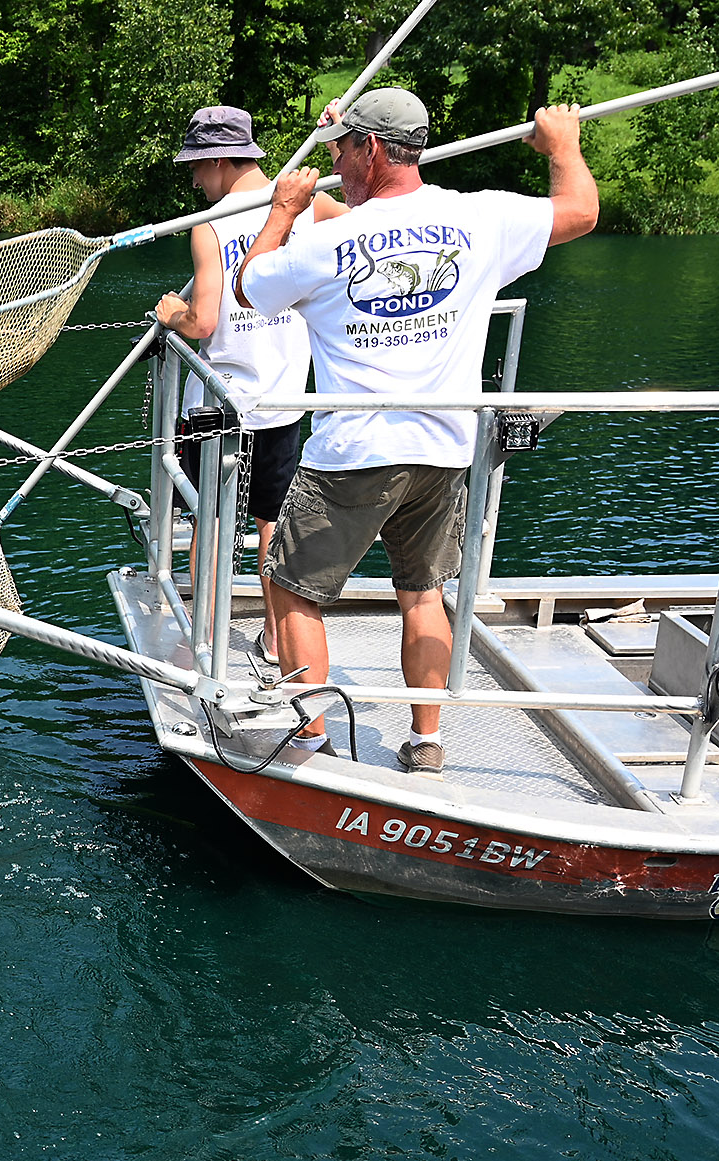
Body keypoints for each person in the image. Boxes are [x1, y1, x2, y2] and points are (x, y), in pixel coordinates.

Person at [233, 88, 599, 771]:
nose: (337, 163)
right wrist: (565, 146)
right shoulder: (478, 217)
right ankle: (427, 740)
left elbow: (250, 287)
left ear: (372, 149)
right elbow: (581, 210)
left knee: (291, 587)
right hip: (443, 449)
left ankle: (309, 735)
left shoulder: (329, 240)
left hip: (354, 453)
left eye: (344, 150)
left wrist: (283, 212)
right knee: (422, 592)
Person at [155, 106, 347, 665]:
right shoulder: (314, 210)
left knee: (207, 521)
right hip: (280, 404)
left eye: (196, 167)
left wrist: (174, 313)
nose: (194, 180)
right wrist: (338, 142)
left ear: (217, 159)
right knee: (271, 525)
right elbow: (376, 208)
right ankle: (272, 637)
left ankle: (205, 634)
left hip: (216, 409)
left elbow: (206, 323)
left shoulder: (210, 225)